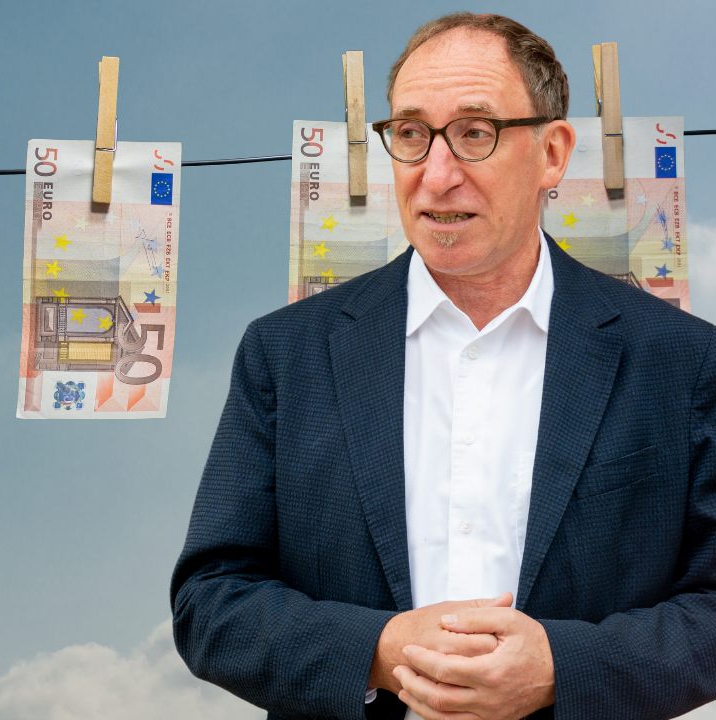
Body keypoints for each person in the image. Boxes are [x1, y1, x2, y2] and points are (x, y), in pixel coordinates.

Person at [171, 12, 716, 720]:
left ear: (552, 153)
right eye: (410, 134)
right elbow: (212, 601)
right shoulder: (285, 354)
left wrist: (562, 666)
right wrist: (378, 649)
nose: (436, 175)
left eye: (475, 133)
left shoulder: (680, 359)